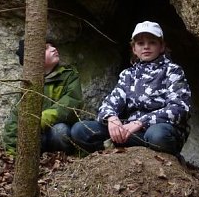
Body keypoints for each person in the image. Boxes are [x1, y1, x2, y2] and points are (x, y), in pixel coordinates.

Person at [69, 21, 191, 157]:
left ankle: (166, 156)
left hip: (159, 130)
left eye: (152, 42)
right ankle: (117, 152)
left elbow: (179, 108)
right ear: (134, 49)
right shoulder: (128, 74)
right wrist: (111, 118)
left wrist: (141, 122)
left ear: (162, 46)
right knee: (80, 130)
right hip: (130, 132)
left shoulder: (173, 71)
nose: (146, 47)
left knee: (157, 136)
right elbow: (109, 103)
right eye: (140, 43)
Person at [2, 37, 83, 154]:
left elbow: (72, 101)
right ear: (33, 58)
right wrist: (11, 152)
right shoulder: (28, 85)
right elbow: (14, 121)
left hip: (58, 135)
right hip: (37, 140)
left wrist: (42, 119)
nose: (54, 49)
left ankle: (63, 160)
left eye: (52, 46)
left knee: (60, 130)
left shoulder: (68, 76)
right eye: (46, 48)